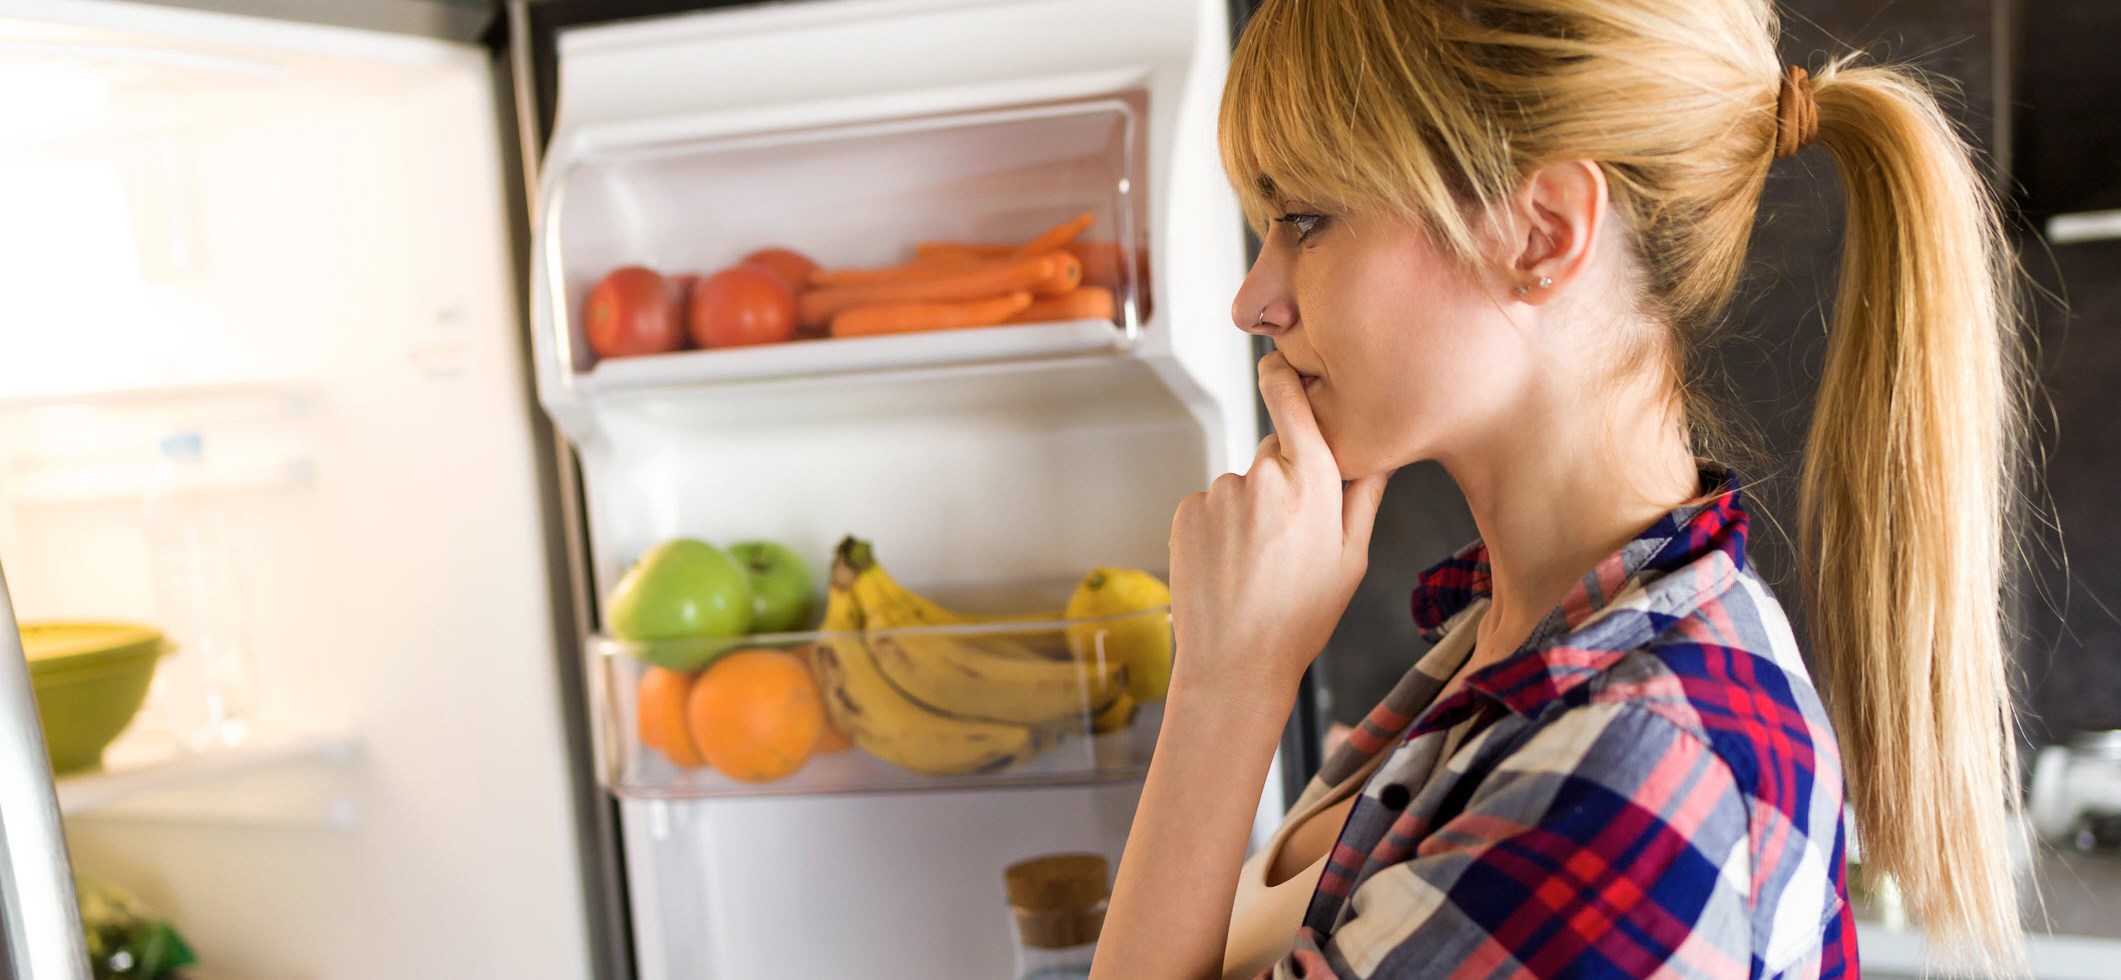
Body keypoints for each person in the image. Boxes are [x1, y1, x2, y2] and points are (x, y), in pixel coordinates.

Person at [1093, 0, 2028, 977]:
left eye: (1306, 220)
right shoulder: (1503, 645)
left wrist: (1223, 690)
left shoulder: (1640, 777)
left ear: (1541, 233)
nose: (1254, 301)